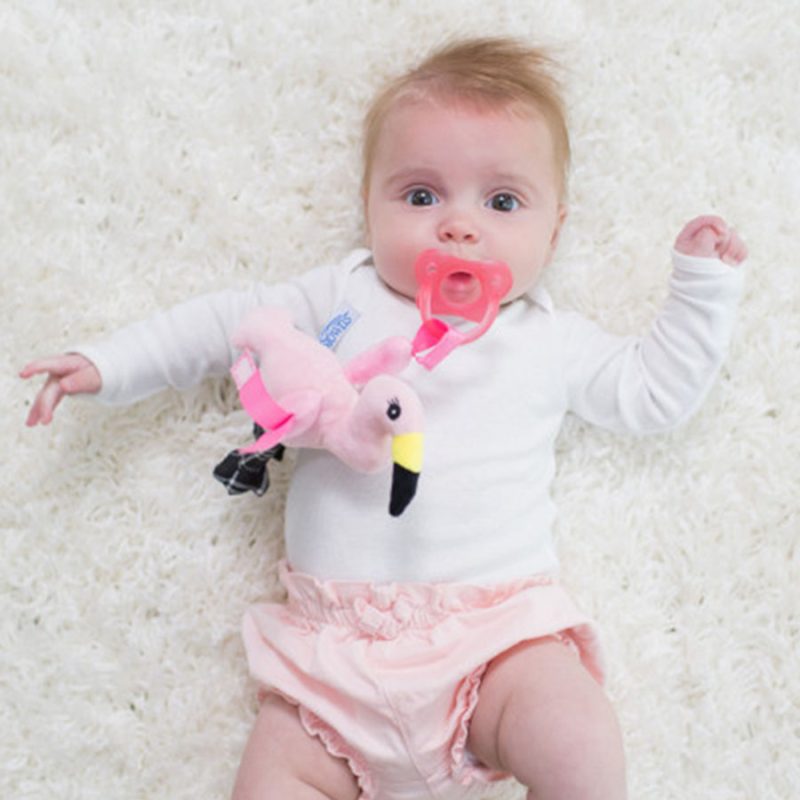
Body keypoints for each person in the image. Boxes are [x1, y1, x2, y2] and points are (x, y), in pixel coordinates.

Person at [21, 37, 746, 800]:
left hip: (493, 645)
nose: (458, 227)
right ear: (370, 204)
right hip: (329, 671)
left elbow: (652, 394)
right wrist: (109, 364)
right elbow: (227, 326)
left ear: (554, 232)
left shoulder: (544, 336)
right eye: (421, 195)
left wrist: (700, 292)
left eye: (502, 202)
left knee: (580, 738)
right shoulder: (340, 296)